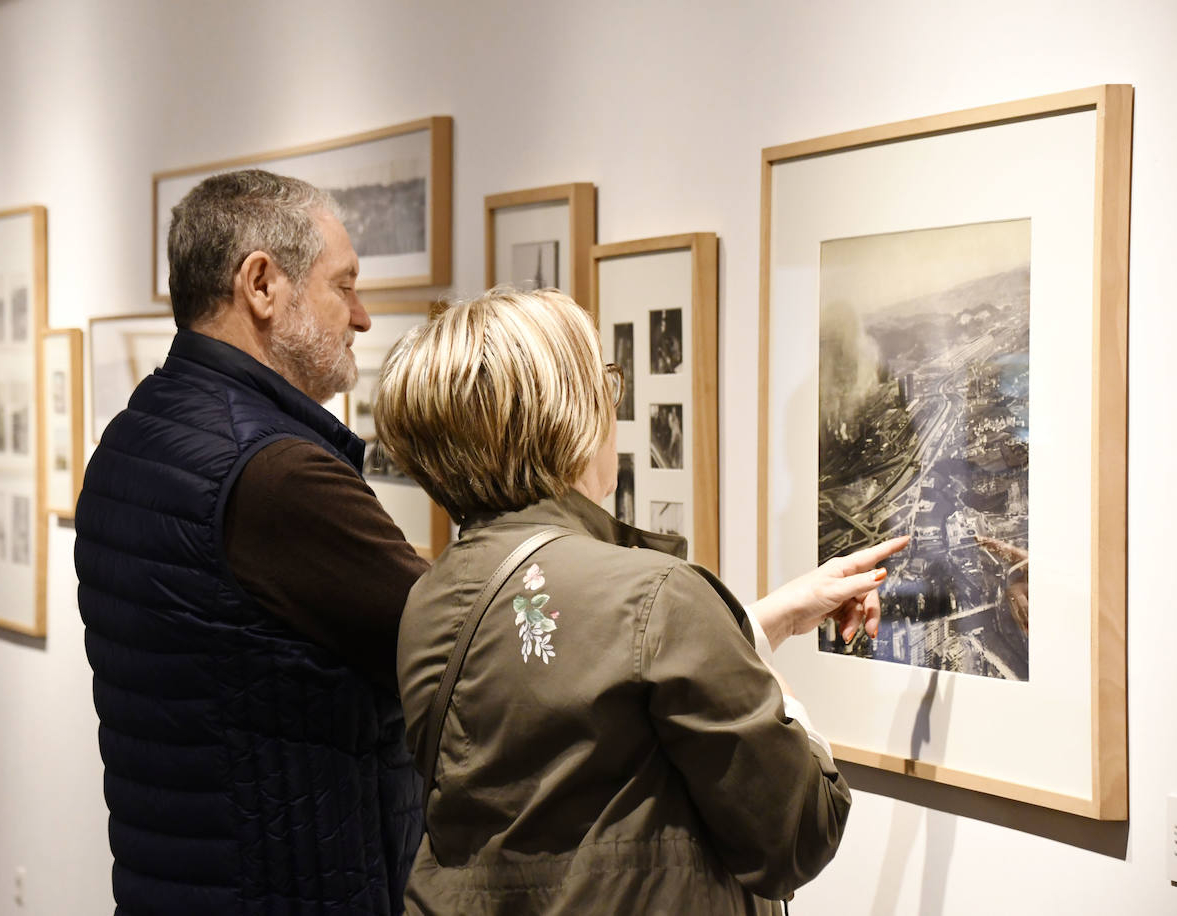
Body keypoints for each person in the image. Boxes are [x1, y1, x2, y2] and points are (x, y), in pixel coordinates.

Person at [374, 288, 908, 914]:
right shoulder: (658, 595)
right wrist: (783, 699)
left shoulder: (432, 599)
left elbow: (586, 678)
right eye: (604, 383)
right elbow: (797, 833)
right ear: (567, 414)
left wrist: (774, 616)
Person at [74, 170, 426, 915]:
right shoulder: (276, 475)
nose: (361, 318)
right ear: (262, 285)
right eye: (345, 286)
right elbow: (464, 641)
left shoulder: (136, 436)